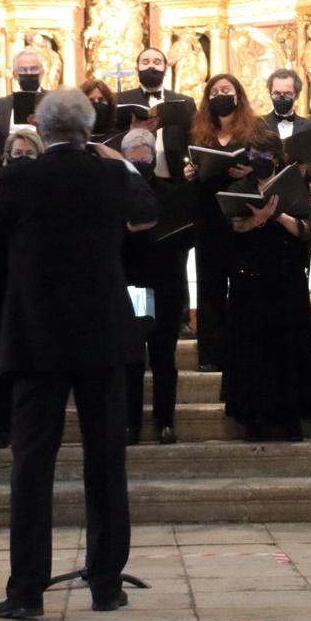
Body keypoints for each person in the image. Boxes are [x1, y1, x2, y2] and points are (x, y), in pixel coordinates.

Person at [0, 89, 157, 620]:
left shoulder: (21, 177)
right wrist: (117, 161)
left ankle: (26, 592)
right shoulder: (111, 175)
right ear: (88, 131)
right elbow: (147, 213)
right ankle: (107, 585)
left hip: (38, 339)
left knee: (32, 468)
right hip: (102, 338)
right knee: (106, 465)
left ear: (41, 131)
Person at [223, 124, 311, 441]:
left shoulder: (292, 185)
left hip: (286, 279)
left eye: (266, 154)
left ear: (278, 158)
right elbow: (234, 228)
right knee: (253, 350)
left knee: (288, 350)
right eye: (254, 155)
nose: (259, 159)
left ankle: (289, 418)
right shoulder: (240, 187)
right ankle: (255, 418)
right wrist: (257, 219)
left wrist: (277, 215)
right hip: (250, 279)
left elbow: (305, 229)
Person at [182, 74, 260, 372]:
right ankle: (210, 355)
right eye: (215, 91)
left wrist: (251, 167)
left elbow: (270, 161)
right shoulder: (199, 133)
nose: (221, 95)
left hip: (242, 215)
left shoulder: (253, 130)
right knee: (210, 286)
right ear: (207, 99)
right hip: (208, 216)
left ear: (238, 96)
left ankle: (242, 351)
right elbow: (192, 166)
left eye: (226, 90)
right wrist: (189, 173)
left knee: (243, 286)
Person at [0, 130, 46, 448]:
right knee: (2, 366)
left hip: (40, 293)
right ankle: (0, 429)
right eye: (16, 154)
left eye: (29, 155)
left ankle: (36, 427)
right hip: (0, 290)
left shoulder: (51, 196)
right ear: (5, 159)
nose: (22, 161)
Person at [120, 128, 191, 446]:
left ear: (154, 155)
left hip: (165, 283)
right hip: (137, 286)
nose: (139, 157)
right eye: (133, 153)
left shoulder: (170, 191)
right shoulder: (118, 194)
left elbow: (188, 236)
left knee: (164, 357)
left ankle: (165, 421)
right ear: (123, 158)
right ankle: (130, 423)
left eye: (145, 151)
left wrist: (163, 229)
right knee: (134, 357)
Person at [116, 47, 196, 182]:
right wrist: (131, 132)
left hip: (176, 179)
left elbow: (195, 138)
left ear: (165, 69)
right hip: (132, 178)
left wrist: (191, 166)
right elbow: (111, 138)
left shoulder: (186, 102)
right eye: (145, 62)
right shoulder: (120, 100)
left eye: (157, 62)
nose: (151, 65)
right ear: (137, 69)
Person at [262, 68, 311, 182]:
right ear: (270, 93)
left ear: (296, 95)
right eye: (276, 93)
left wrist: (306, 170)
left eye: (287, 94)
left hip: (298, 195)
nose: (281, 97)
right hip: (266, 193)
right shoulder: (259, 125)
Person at [0, 49, 46, 136]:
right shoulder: (0, 105)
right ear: (15, 75)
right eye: (23, 70)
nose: (29, 73)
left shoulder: (53, 101)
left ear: (42, 72)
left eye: (34, 69)